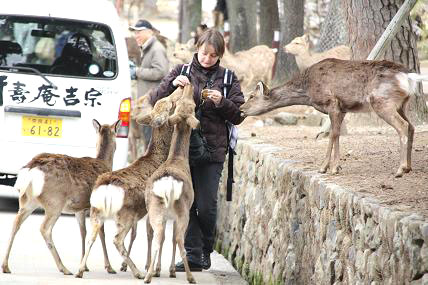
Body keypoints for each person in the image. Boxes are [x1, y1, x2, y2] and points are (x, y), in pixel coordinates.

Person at [148, 28, 245, 271]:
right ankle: (192, 255)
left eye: (213, 56)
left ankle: (205, 249)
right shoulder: (180, 71)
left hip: (213, 152)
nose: (207, 59)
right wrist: (172, 85)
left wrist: (221, 102)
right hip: (180, 152)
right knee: (185, 204)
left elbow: (239, 115)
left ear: (220, 55)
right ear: (197, 49)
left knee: (207, 204)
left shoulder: (228, 79)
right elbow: (154, 99)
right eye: (203, 53)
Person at [129, 19, 169, 157]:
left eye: (139, 32)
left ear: (149, 32)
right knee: (147, 143)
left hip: (152, 105)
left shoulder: (157, 48)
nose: (136, 35)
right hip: (146, 104)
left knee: (151, 145)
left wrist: (137, 71)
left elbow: (161, 72)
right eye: (135, 32)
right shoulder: (148, 47)